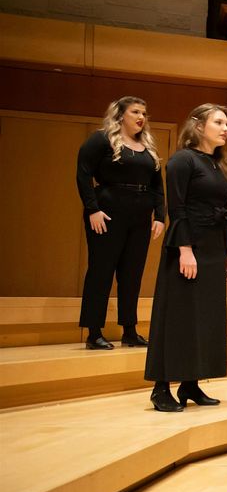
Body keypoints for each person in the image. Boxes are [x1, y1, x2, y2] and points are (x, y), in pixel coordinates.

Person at [144, 104, 227, 412]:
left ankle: (190, 384)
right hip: (188, 247)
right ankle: (161, 388)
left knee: (205, 318)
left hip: (212, 249)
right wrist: (185, 249)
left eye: (226, 123)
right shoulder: (183, 160)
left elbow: (226, 211)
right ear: (199, 126)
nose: (225, 128)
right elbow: (178, 208)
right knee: (178, 317)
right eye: (219, 122)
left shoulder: (216, 164)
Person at [75, 96, 165, 350]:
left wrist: (159, 215)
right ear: (120, 115)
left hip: (140, 215)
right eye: (135, 111)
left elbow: (158, 184)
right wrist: (92, 209)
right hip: (107, 212)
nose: (141, 117)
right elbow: (83, 173)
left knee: (132, 274)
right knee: (101, 271)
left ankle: (129, 330)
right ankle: (94, 332)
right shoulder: (101, 139)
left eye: (144, 113)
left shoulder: (146, 145)